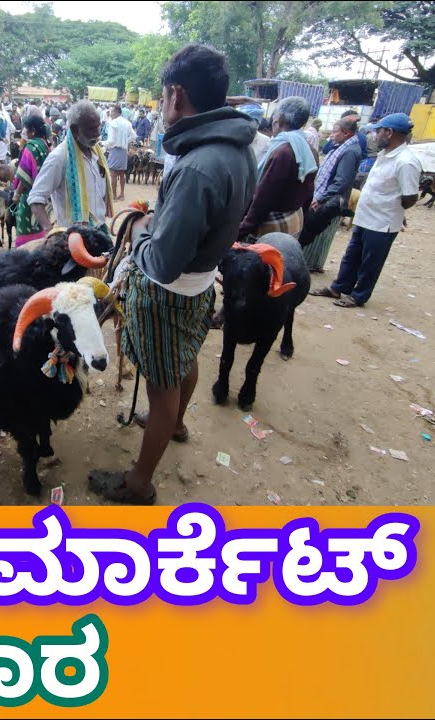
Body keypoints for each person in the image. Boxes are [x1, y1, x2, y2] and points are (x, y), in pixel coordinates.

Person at [87, 43, 257, 505]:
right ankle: (177, 423)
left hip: (169, 292)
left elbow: (160, 262)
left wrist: (141, 230)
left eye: (162, 97)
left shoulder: (198, 166)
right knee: (184, 360)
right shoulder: (238, 149)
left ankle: (138, 482)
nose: (161, 106)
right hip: (201, 286)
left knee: (162, 388)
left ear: (176, 96)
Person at [310, 113, 420, 309]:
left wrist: (394, 209)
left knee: (371, 261)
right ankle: (339, 287)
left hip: (383, 221)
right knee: (351, 256)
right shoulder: (385, 154)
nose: (375, 136)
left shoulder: (406, 161)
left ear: (389, 132)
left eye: (378, 131)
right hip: (365, 216)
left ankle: (359, 296)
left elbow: (410, 197)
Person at [237, 96, 317, 240]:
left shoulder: (283, 152)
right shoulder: (309, 150)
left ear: (278, 119)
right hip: (294, 220)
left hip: (273, 225)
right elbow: (309, 191)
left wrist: (241, 230)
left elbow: (264, 198)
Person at [28, 100, 113, 232]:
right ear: (74, 130)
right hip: (74, 238)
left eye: (98, 127)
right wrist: (49, 231)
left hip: (100, 231)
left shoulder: (97, 154)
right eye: (91, 128)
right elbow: (35, 198)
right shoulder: (59, 157)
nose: (97, 133)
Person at [299, 118, 362, 273]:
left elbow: (342, 181)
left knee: (315, 234)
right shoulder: (341, 147)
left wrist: (321, 198)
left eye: (335, 131)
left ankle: (310, 265)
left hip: (329, 202)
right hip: (326, 198)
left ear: (346, 133)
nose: (332, 135)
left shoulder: (350, 151)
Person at [11, 114, 51, 248]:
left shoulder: (31, 147)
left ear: (32, 130)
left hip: (29, 196)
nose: (24, 132)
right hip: (43, 194)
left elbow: (24, 176)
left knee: (25, 227)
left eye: (26, 129)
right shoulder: (45, 145)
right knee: (39, 225)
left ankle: (26, 253)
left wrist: (17, 194)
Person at [103, 104, 134, 201]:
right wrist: (125, 141)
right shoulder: (127, 123)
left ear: (117, 112)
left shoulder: (113, 123)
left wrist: (102, 143)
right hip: (123, 150)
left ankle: (114, 195)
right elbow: (134, 135)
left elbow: (111, 140)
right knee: (121, 173)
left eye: (112, 111)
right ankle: (122, 194)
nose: (110, 113)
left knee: (113, 174)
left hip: (115, 150)